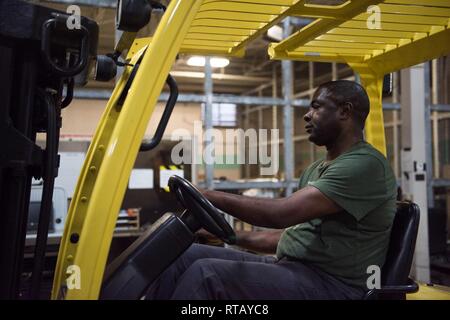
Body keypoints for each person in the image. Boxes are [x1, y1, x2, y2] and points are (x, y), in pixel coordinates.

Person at [145, 80, 397, 300]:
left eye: (317, 107)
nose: (307, 115)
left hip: (336, 286)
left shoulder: (365, 165)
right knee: (180, 256)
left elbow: (280, 214)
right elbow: (291, 237)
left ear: (345, 111)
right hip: (296, 269)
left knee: (206, 275)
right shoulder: (317, 169)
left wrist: (208, 196)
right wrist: (229, 236)